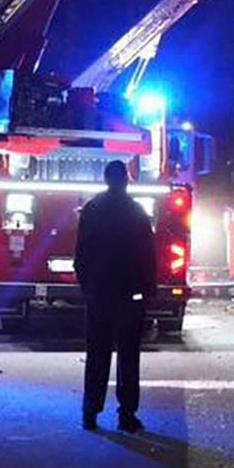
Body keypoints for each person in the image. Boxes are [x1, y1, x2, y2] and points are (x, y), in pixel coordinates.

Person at [74, 158, 155, 433]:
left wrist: (87, 286)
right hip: (129, 295)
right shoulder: (136, 211)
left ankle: (90, 412)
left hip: (100, 293)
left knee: (97, 353)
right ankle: (127, 415)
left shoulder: (92, 209)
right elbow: (148, 256)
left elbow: (81, 253)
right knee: (128, 356)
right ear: (126, 179)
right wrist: (147, 291)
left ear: (106, 179)